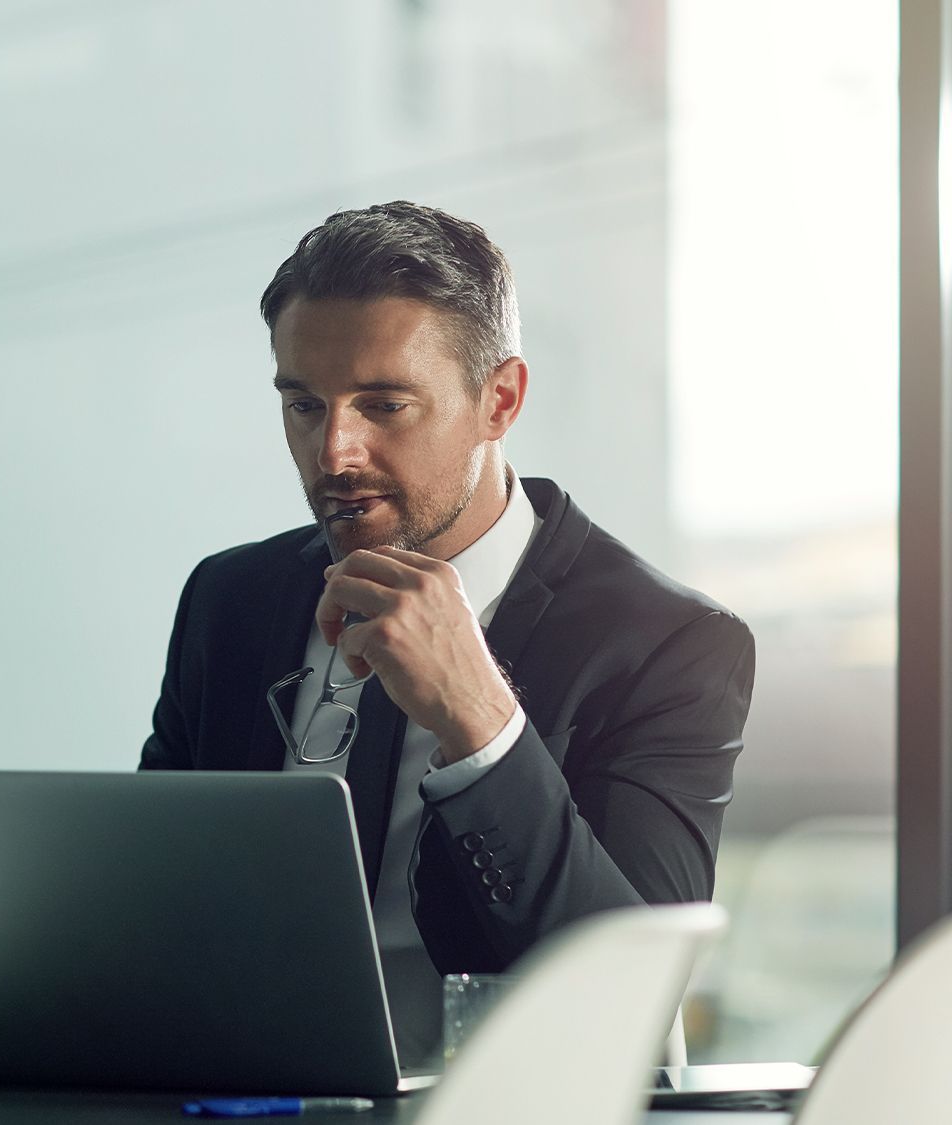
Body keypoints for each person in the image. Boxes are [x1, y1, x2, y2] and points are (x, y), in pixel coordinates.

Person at [138, 201, 755, 1067]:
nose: (334, 453)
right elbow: (151, 909)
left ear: (498, 399)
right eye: (305, 405)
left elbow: (629, 999)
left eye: (384, 405)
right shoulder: (229, 597)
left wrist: (481, 721)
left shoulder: (670, 643)